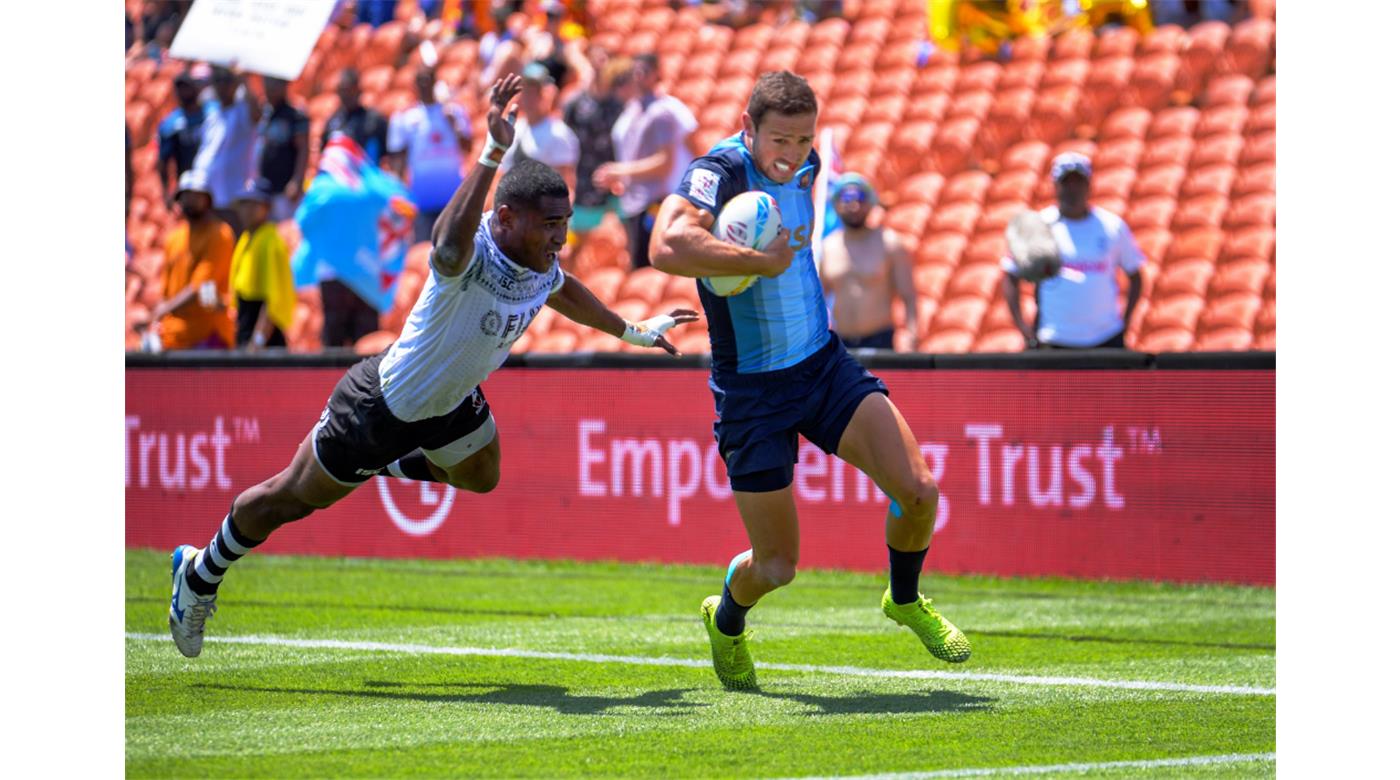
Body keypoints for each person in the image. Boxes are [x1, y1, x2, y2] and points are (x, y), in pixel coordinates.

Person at [167, 76, 699, 658]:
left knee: (483, 474)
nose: (560, 236)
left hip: (448, 406)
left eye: (563, 222)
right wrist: (492, 152)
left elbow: (565, 290)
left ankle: (380, 468)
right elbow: (445, 243)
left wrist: (633, 331)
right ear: (505, 218)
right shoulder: (470, 253)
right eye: (549, 224)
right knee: (286, 500)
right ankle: (199, 573)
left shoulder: (540, 264)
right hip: (378, 406)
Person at [649, 71, 971, 691]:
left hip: (823, 366)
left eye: (803, 139)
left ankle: (903, 600)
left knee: (920, 491)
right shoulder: (718, 171)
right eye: (780, 140)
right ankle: (727, 618)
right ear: (748, 128)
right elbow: (666, 246)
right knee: (776, 565)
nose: (793, 153)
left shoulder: (810, 165)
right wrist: (757, 261)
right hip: (751, 392)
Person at [1000, 152, 1145, 350]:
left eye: (1078, 182)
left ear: (1089, 185)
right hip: (1054, 338)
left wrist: (1125, 322)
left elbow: (1135, 274)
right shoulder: (1040, 226)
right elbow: (1011, 275)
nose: (1072, 189)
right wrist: (1023, 328)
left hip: (1105, 337)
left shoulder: (1112, 226)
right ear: (1055, 185)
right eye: (1066, 183)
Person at [595, 54, 697, 269]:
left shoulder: (661, 111)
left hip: (655, 201)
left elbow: (664, 163)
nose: (638, 76)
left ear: (656, 74)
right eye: (635, 71)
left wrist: (621, 171)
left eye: (644, 71)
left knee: (652, 267)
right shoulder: (632, 110)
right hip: (634, 202)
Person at [819, 173, 919, 351]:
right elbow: (817, 300)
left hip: (880, 340)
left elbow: (909, 296)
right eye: (846, 198)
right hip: (842, 345)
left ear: (871, 202)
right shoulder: (828, 247)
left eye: (860, 198)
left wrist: (911, 334)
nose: (854, 205)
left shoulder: (889, 243)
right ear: (836, 204)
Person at [386, 65, 474, 242]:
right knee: (424, 253)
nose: (425, 85)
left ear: (435, 81)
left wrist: (454, 126)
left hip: (453, 200)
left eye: (428, 80)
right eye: (420, 81)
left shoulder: (453, 112)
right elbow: (398, 161)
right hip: (422, 203)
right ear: (415, 85)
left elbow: (468, 147)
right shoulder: (406, 118)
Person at [152, 170, 236, 351]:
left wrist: (164, 310)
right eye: (186, 196)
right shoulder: (174, 238)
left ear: (207, 200)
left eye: (196, 197)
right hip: (173, 338)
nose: (190, 202)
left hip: (207, 338)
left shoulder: (220, 235)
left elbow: (201, 286)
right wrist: (159, 318)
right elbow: (166, 291)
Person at [563, 51, 630, 235]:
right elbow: (565, 141)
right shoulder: (574, 104)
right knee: (576, 240)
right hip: (586, 180)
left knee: (631, 236)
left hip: (618, 178)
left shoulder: (621, 103)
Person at [192, 65, 261, 234]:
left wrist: (244, 80)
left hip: (234, 194)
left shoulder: (242, 111)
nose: (222, 86)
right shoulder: (212, 114)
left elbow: (257, 115)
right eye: (218, 81)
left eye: (226, 81)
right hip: (210, 194)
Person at [229, 179, 296, 350]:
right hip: (246, 333)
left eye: (253, 205)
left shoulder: (271, 241)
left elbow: (273, 300)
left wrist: (258, 340)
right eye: (243, 204)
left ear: (266, 207)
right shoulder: (246, 238)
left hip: (264, 342)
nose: (246, 210)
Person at [501, 62, 580, 196]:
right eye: (525, 91)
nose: (529, 97)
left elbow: (566, 184)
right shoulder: (514, 127)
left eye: (535, 92)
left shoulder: (559, 134)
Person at [256, 76, 310, 222]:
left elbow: (303, 149)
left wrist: (297, 180)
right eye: (267, 84)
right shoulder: (266, 114)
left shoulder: (295, 115)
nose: (269, 89)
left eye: (274, 84)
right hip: (265, 189)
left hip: (285, 188)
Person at [157, 72, 210, 208]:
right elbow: (163, 161)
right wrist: (166, 192)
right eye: (180, 89)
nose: (184, 92)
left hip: (212, 179)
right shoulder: (171, 124)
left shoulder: (212, 114)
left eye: (187, 87)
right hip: (188, 183)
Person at [323, 69, 390, 165]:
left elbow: (388, 154)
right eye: (342, 91)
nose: (346, 95)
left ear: (359, 91)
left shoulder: (375, 120)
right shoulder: (332, 122)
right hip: (338, 176)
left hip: (366, 175)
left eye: (350, 91)